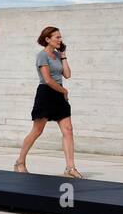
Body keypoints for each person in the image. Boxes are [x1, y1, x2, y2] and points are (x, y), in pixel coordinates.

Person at [14, 25, 81, 178]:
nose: (60, 39)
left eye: (60, 37)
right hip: (46, 94)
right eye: (57, 37)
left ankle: (70, 168)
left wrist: (63, 55)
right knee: (37, 131)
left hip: (59, 96)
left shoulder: (58, 56)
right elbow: (48, 79)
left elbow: (68, 74)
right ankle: (20, 161)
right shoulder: (41, 56)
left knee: (68, 131)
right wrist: (64, 91)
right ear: (47, 39)